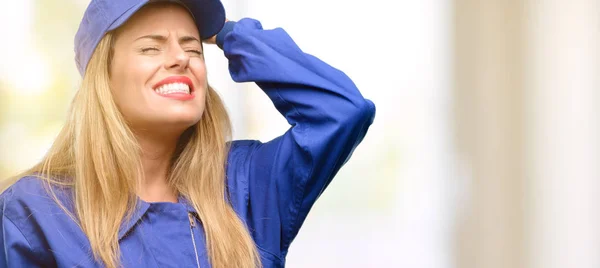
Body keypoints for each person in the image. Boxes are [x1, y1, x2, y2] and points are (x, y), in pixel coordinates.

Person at [0, 0, 375, 267]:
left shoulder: (244, 185)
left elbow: (341, 112)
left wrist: (228, 35)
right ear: (104, 79)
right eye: (151, 47)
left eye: (192, 47)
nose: (180, 58)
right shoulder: (37, 211)